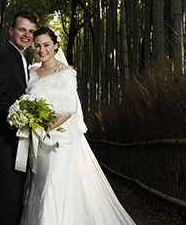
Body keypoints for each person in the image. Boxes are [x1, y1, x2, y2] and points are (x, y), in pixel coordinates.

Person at [21, 27, 136, 225]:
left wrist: (44, 128)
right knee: (40, 184)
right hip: (38, 142)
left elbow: (69, 109)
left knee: (54, 184)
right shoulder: (31, 71)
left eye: (47, 45)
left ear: (56, 46)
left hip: (59, 139)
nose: (42, 50)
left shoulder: (65, 72)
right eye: (38, 45)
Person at [0, 10, 38, 225]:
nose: (27, 35)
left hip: (16, 147)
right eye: (22, 29)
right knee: (7, 209)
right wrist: (22, 119)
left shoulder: (22, 59)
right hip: (2, 146)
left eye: (31, 31)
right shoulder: (2, 55)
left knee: (13, 208)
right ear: (11, 31)